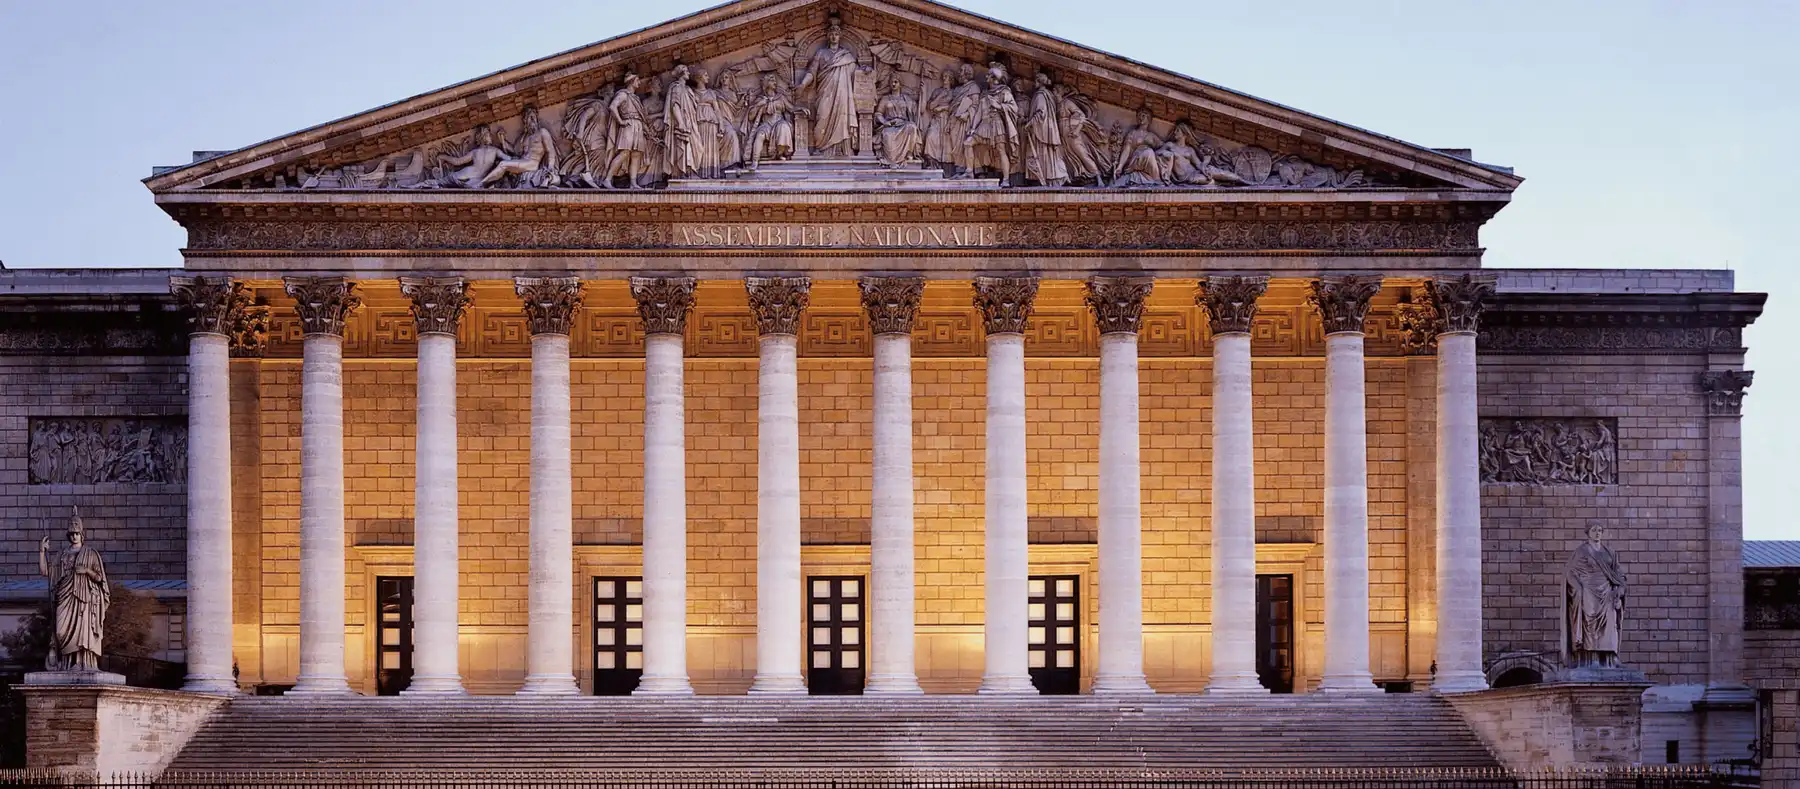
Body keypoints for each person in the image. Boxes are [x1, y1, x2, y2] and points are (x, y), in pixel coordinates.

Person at [39, 508, 109, 672]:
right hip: (65, 594)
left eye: (76, 533)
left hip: (84, 598)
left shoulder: (91, 553)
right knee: (60, 631)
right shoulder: (62, 554)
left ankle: (81, 662)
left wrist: (87, 571)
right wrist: (42, 551)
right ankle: (66, 663)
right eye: (71, 534)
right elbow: (45, 572)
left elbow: (100, 578)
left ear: (81, 534)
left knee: (82, 631)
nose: (74, 536)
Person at [793, 17, 860, 156]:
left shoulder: (846, 56)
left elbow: (857, 74)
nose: (834, 36)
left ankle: (843, 150)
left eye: (836, 34)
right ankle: (821, 147)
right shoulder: (821, 53)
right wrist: (802, 84)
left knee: (843, 119)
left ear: (840, 36)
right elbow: (812, 72)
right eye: (831, 34)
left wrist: (866, 71)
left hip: (843, 95)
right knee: (822, 116)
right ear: (828, 36)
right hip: (824, 92)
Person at [1564, 523, 1625, 668]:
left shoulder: (1610, 552)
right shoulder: (1581, 552)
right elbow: (1570, 573)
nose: (1597, 533)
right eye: (1594, 530)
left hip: (1608, 593)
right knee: (1590, 625)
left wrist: (1620, 589)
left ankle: (1609, 658)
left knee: (1610, 625)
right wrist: (1578, 589)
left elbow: (1618, 574)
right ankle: (1591, 659)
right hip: (1588, 592)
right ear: (1588, 532)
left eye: (1600, 530)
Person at [482, 106, 559, 188]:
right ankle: (491, 184)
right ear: (525, 121)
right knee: (500, 162)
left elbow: (550, 151)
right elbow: (514, 151)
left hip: (532, 163)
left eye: (534, 117)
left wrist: (550, 167)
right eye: (529, 117)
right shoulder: (524, 137)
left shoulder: (542, 132)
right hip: (522, 162)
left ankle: (481, 184)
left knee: (503, 164)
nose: (532, 119)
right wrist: (503, 141)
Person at [599, 73, 653, 189]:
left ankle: (633, 183)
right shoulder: (623, 94)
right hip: (628, 125)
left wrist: (647, 131)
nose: (639, 82)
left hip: (638, 126)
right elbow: (613, 106)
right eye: (637, 80)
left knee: (636, 155)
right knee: (625, 153)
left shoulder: (636, 98)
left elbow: (641, 117)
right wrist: (621, 121)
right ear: (631, 82)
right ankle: (607, 179)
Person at [1021, 72, 1067, 187]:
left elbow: (1040, 113)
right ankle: (1050, 177)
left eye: (1035, 81)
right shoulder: (1048, 94)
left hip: (1042, 130)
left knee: (1043, 153)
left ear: (1039, 82)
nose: (1034, 83)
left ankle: (1046, 177)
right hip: (1048, 129)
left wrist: (1029, 124)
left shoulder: (1040, 95)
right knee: (1048, 154)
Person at [434, 124, 508, 189]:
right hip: (474, 179)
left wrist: (444, 157)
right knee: (442, 181)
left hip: (468, 176)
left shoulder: (476, 152)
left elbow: (457, 161)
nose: (491, 137)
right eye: (489, 135)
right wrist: (503, 142)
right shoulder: (495, 151)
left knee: (442, 181)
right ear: (484, 136)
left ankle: (432, 184)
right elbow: (508, 159)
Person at [872, 74, 922, 168]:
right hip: (890, 125)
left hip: (903, 124)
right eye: (891, 82)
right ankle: (891, 159)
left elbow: (918, 109)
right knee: (887, 135)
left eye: (896, 82)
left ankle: (909, 153)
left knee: (912, 127)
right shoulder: (885, 99)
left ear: (900, 84)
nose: (893, 84)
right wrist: (885, 122)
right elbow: (878, 114)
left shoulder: (906, 99)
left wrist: (922, 93)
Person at [662, 66, 702, 179]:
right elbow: (675, 105)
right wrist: (680, 123)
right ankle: (684, 172)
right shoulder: (677, 87)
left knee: (698, 146)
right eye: (687, 71)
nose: (689, 73)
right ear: (682, 73)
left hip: (691, 121)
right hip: (683, 121)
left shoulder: (688, 89)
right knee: (684, 145)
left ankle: (691, 170)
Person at [1110, 107, 1164, 187]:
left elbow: (1163, 147)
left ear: (1149, 119)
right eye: (1139, 115)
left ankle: (1156, 179)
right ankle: (1157, 179)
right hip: (1135, 161)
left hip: (1149, 161)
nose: (1140, 117)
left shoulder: (1152, 136)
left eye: (1143, 116)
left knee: (1151, 152)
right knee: (1148, 152)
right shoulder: (1132, 133)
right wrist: (1120, 166)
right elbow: (1126, 150)